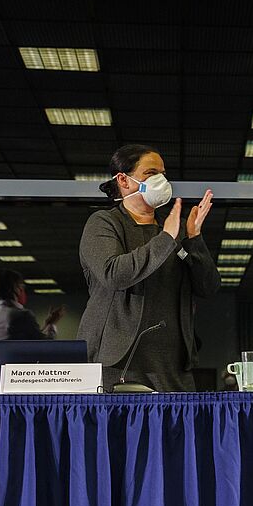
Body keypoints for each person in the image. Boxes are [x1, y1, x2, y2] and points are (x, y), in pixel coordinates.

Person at [78, 144, 220, 391]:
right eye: (151, 173)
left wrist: (194, 238)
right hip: (117, 362)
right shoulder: (104, 223)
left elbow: (208, 287)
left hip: (172, 365)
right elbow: (115, 274)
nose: (161, 181)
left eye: (163, 174)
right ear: (123, 179)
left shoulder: (173, 227)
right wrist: (167, 238)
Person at [0, 269, 64, 341]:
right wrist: (52, 325)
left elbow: (26, 338)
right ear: (15, 288)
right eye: (22, 286)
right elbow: (44, 344)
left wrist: (46, 324)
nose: (23, 290)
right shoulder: (23, 315)